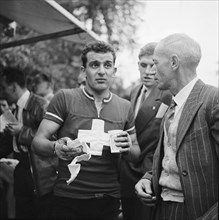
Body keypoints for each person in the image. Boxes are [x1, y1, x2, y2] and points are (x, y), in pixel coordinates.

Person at [32, 40, 141, 220]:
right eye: (94, 65)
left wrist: (128, 147)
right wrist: (56, 147)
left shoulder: (125, 106)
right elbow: (38, 142)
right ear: (83, 71)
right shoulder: (65, 98)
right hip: (68, 197)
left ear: (114, 71)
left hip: (109, 198)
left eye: (107, 65)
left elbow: (136, 153)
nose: (101, 71)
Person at [135, 33, 219, 220]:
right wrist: (149, 178)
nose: (151, 71)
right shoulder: (173, 103)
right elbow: (173, 157)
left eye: (156, 63)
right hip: (161, 208)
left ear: (174, 63)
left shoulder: (213, 100)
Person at [120, 42, 172, 220]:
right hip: (126, 169)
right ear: (138, 65)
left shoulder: (167, 94)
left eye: (153, 65)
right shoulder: (134, 91)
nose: (148, 71)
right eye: (144, 65)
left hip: (149, 171)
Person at [0, 66, 48, 219]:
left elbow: (51, 139)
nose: (2, 92)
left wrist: (22, 131)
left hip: (39, 171)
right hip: (22, 167)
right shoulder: (14, 109)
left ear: (13, 86)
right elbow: (8, 143)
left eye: (3, 87)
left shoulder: (41, 105)